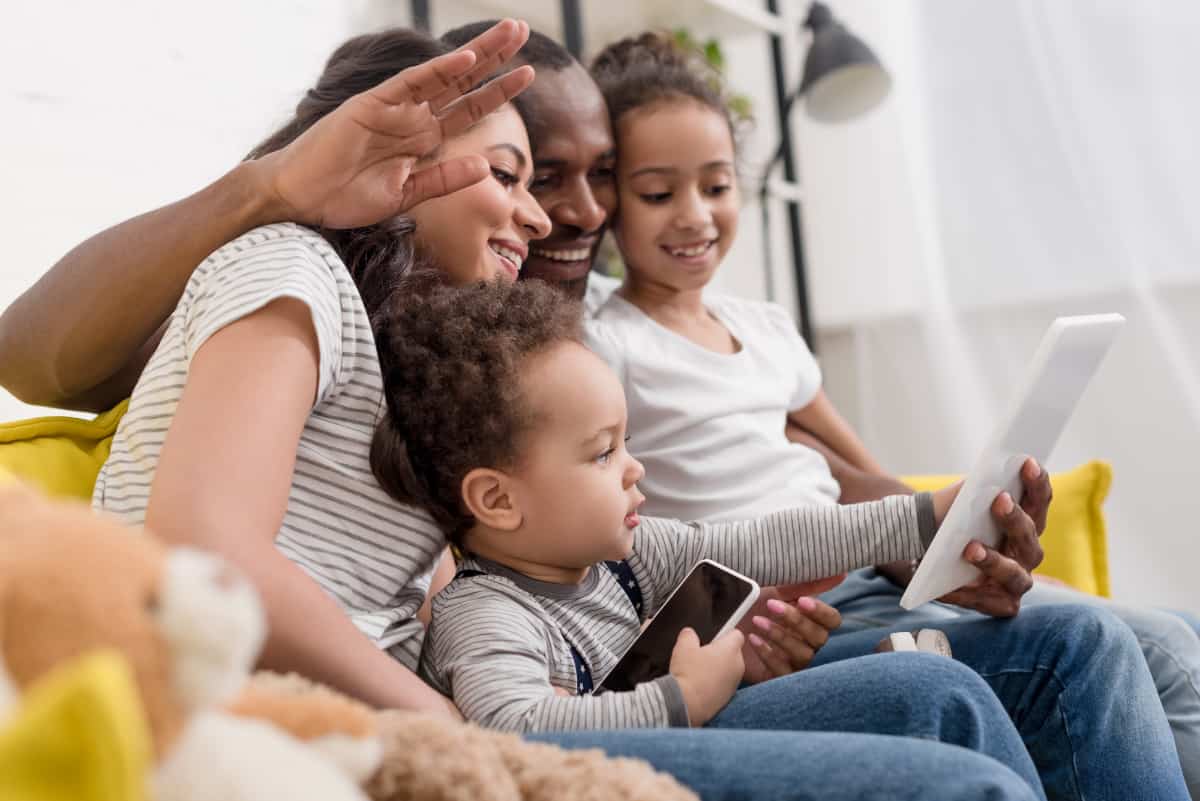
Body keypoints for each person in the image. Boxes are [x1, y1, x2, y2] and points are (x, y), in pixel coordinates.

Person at [0, 20, 1184, 801]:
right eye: (511, 175)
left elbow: (696, 545)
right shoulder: (292, 274)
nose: (547, 217)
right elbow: (198, 540)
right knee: (955, 759)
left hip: (502, 699)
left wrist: (915, 526)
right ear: (386, 163)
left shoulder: (426, 362)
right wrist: (471, 742)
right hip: (363, 730)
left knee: (1000, 676)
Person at [573, 30, 1192, 799]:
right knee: (1105, 643)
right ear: (606, 200)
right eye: (658, 193)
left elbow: (861, 473)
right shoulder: (608, 346)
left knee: (1180, 632)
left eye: (719, 185)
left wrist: (950, 542)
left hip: (869, 572)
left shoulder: (765, 328)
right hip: (783, 615)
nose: (695, 216)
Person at [368, 270, 952, 731]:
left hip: (678, 739)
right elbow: (519, 725)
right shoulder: (483, 614)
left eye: (627, 443)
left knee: (933, 683)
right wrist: (684, 698)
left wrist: (930, 520)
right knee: (925, 691)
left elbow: (763, 542)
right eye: (602, 453)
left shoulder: (628, 558)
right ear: (497, 499)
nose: (634, 468)